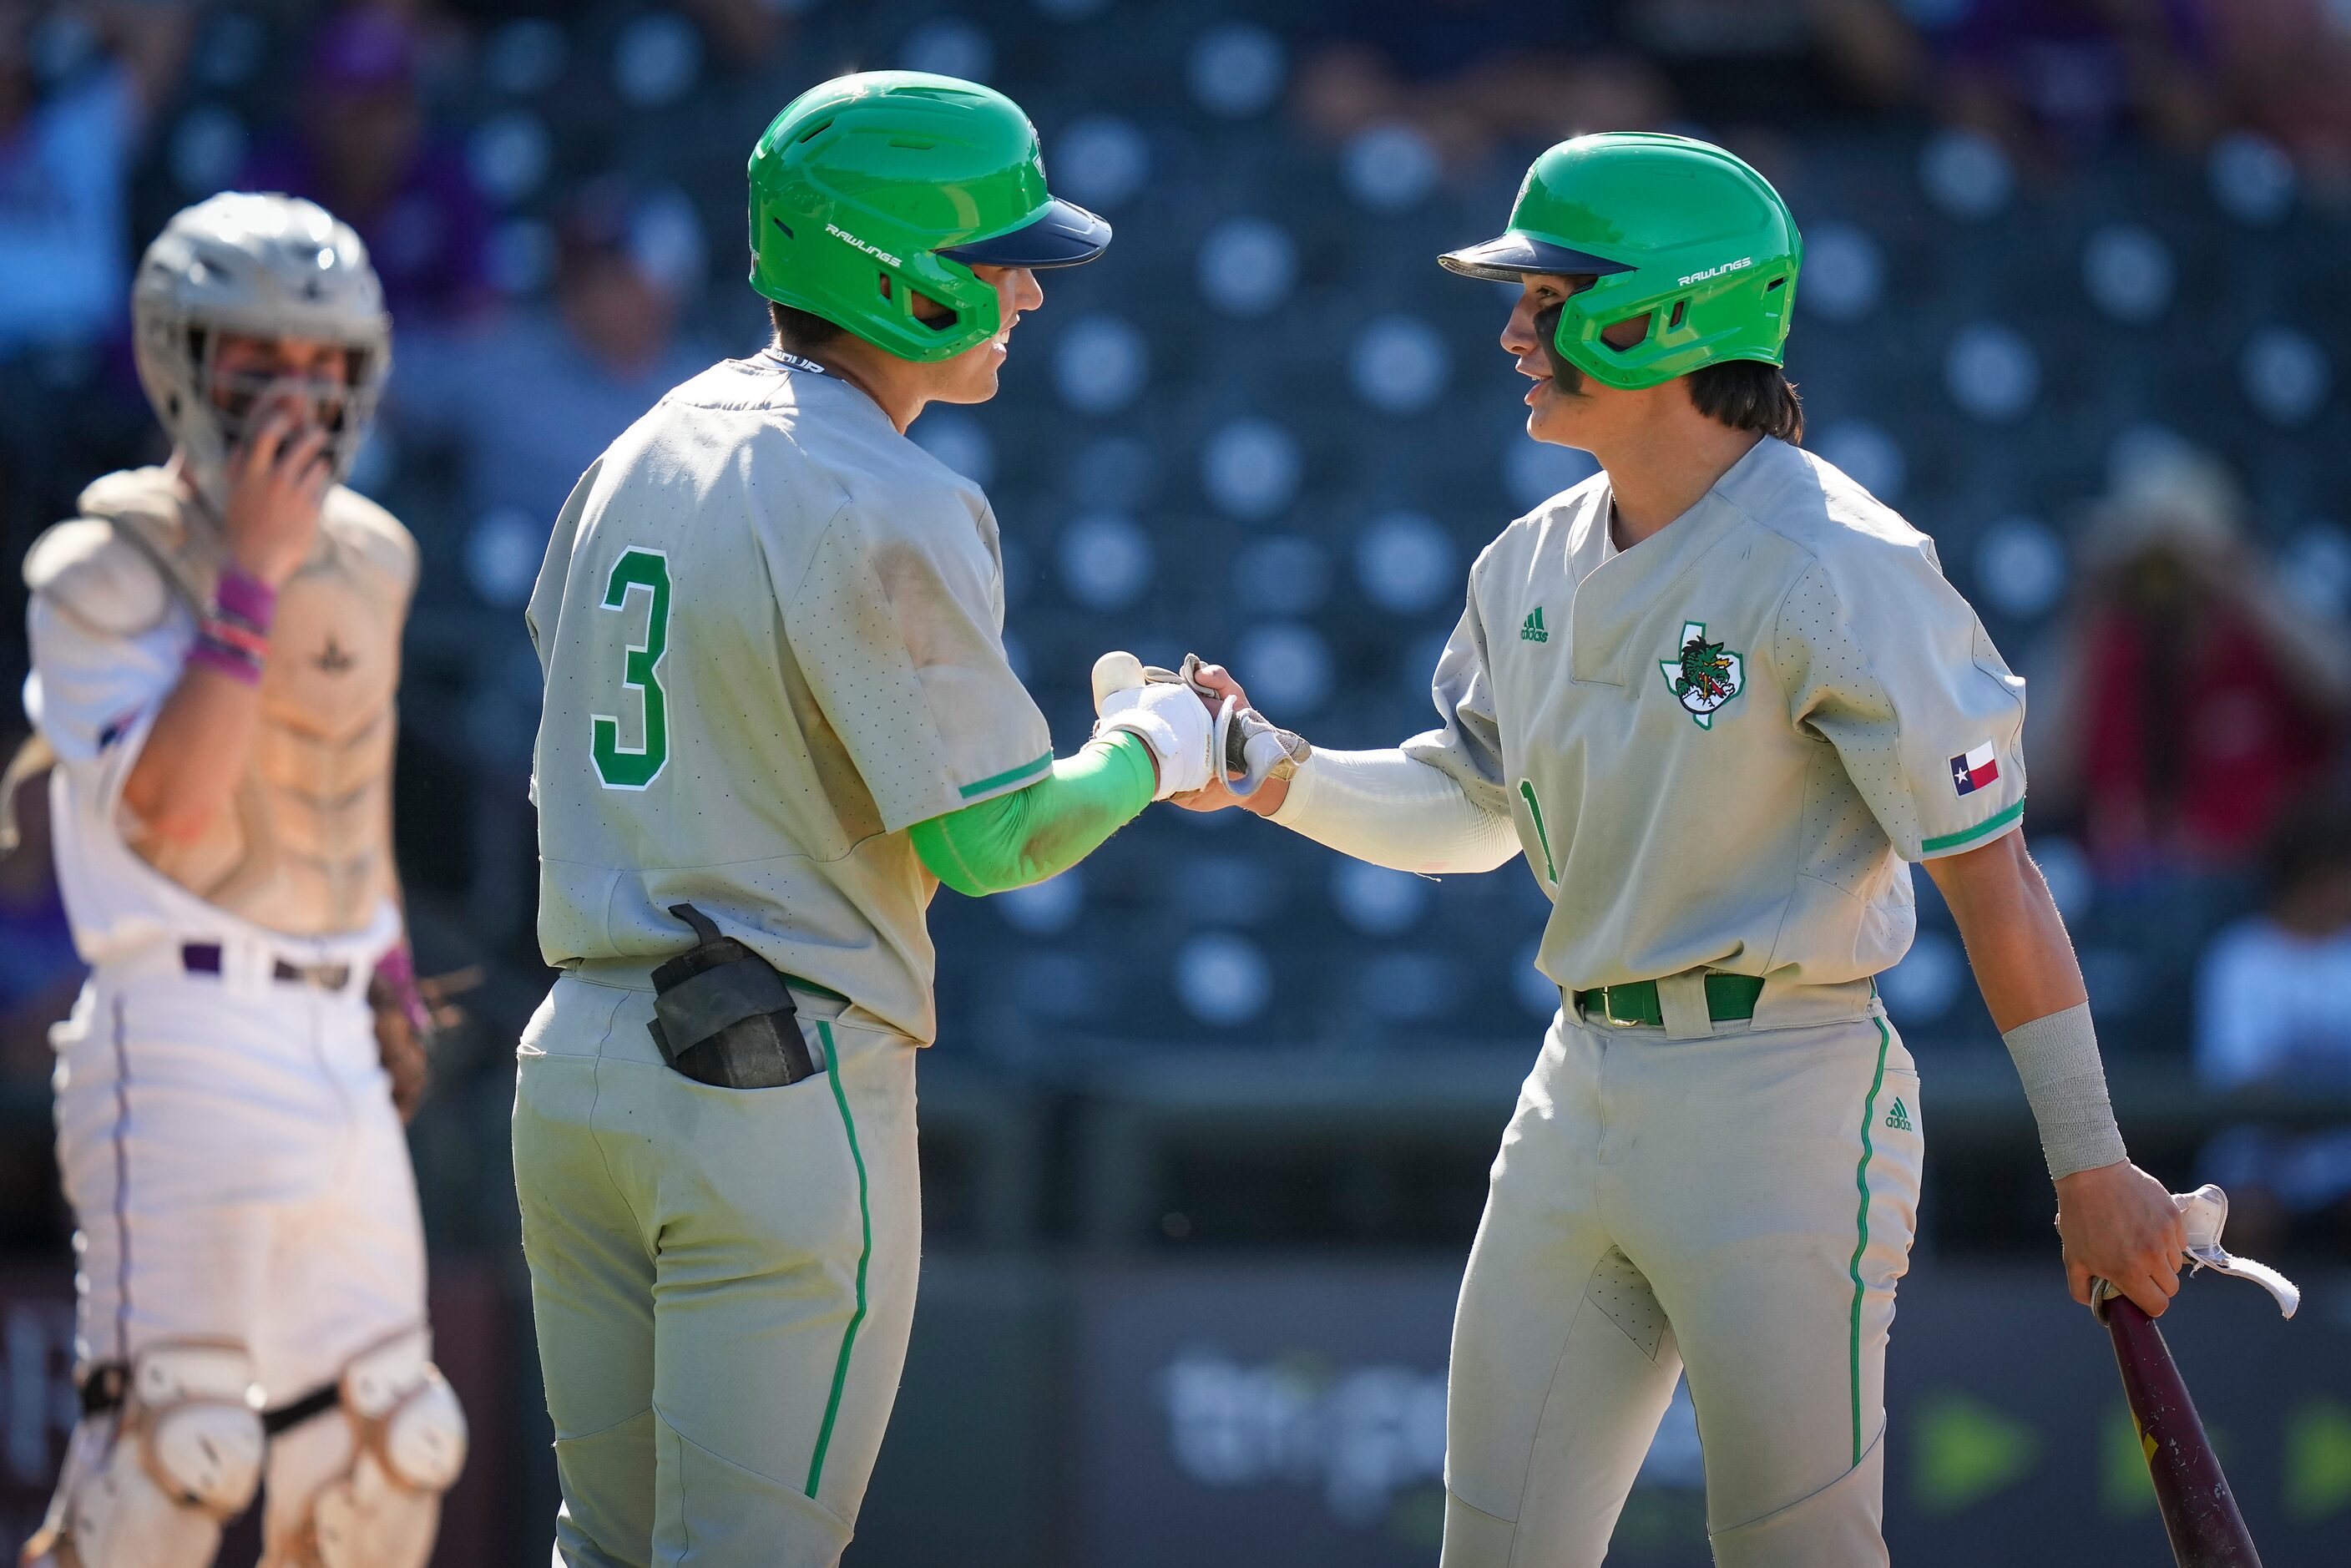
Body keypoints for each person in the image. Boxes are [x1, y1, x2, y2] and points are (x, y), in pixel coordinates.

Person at [1174, 132, 2184, 1565]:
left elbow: (1991, 870)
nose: (1515, 328)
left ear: (1665, 314)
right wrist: (1275, 773)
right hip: (1579, 1079)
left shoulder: (1842, 559)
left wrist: (2089, 1163)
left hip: (1785, 1086)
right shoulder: (1523, 558)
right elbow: (1475, 802)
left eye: (1549, 295)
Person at [513, 71, 1212, 1565]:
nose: (1024, 287)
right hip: (765, 1071)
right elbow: (992, 841)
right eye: (993, 257)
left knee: (602, 1549)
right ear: (886, 270)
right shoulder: (879, 486)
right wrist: (1154, 742)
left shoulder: (639, 442)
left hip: (575, 1059)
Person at [15, 192, 465, 1567]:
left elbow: (348, 789)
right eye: (258, 357)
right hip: (180, 1029)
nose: (298, 391)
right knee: (176, 1454)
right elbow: (171, 808)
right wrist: (254, 578)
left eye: (325, 361)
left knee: (392, 1449)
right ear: (180, 362)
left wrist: (383, 961)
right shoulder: (95, 566)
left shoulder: (378, 552)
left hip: (335, 1027)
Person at [2193, 792, 2351, 1254]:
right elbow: (2241, 1084)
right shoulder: (2240, 956)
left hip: (2342, 1160)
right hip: (2261, 1163)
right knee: (2243, 1221)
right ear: (2310, 878)